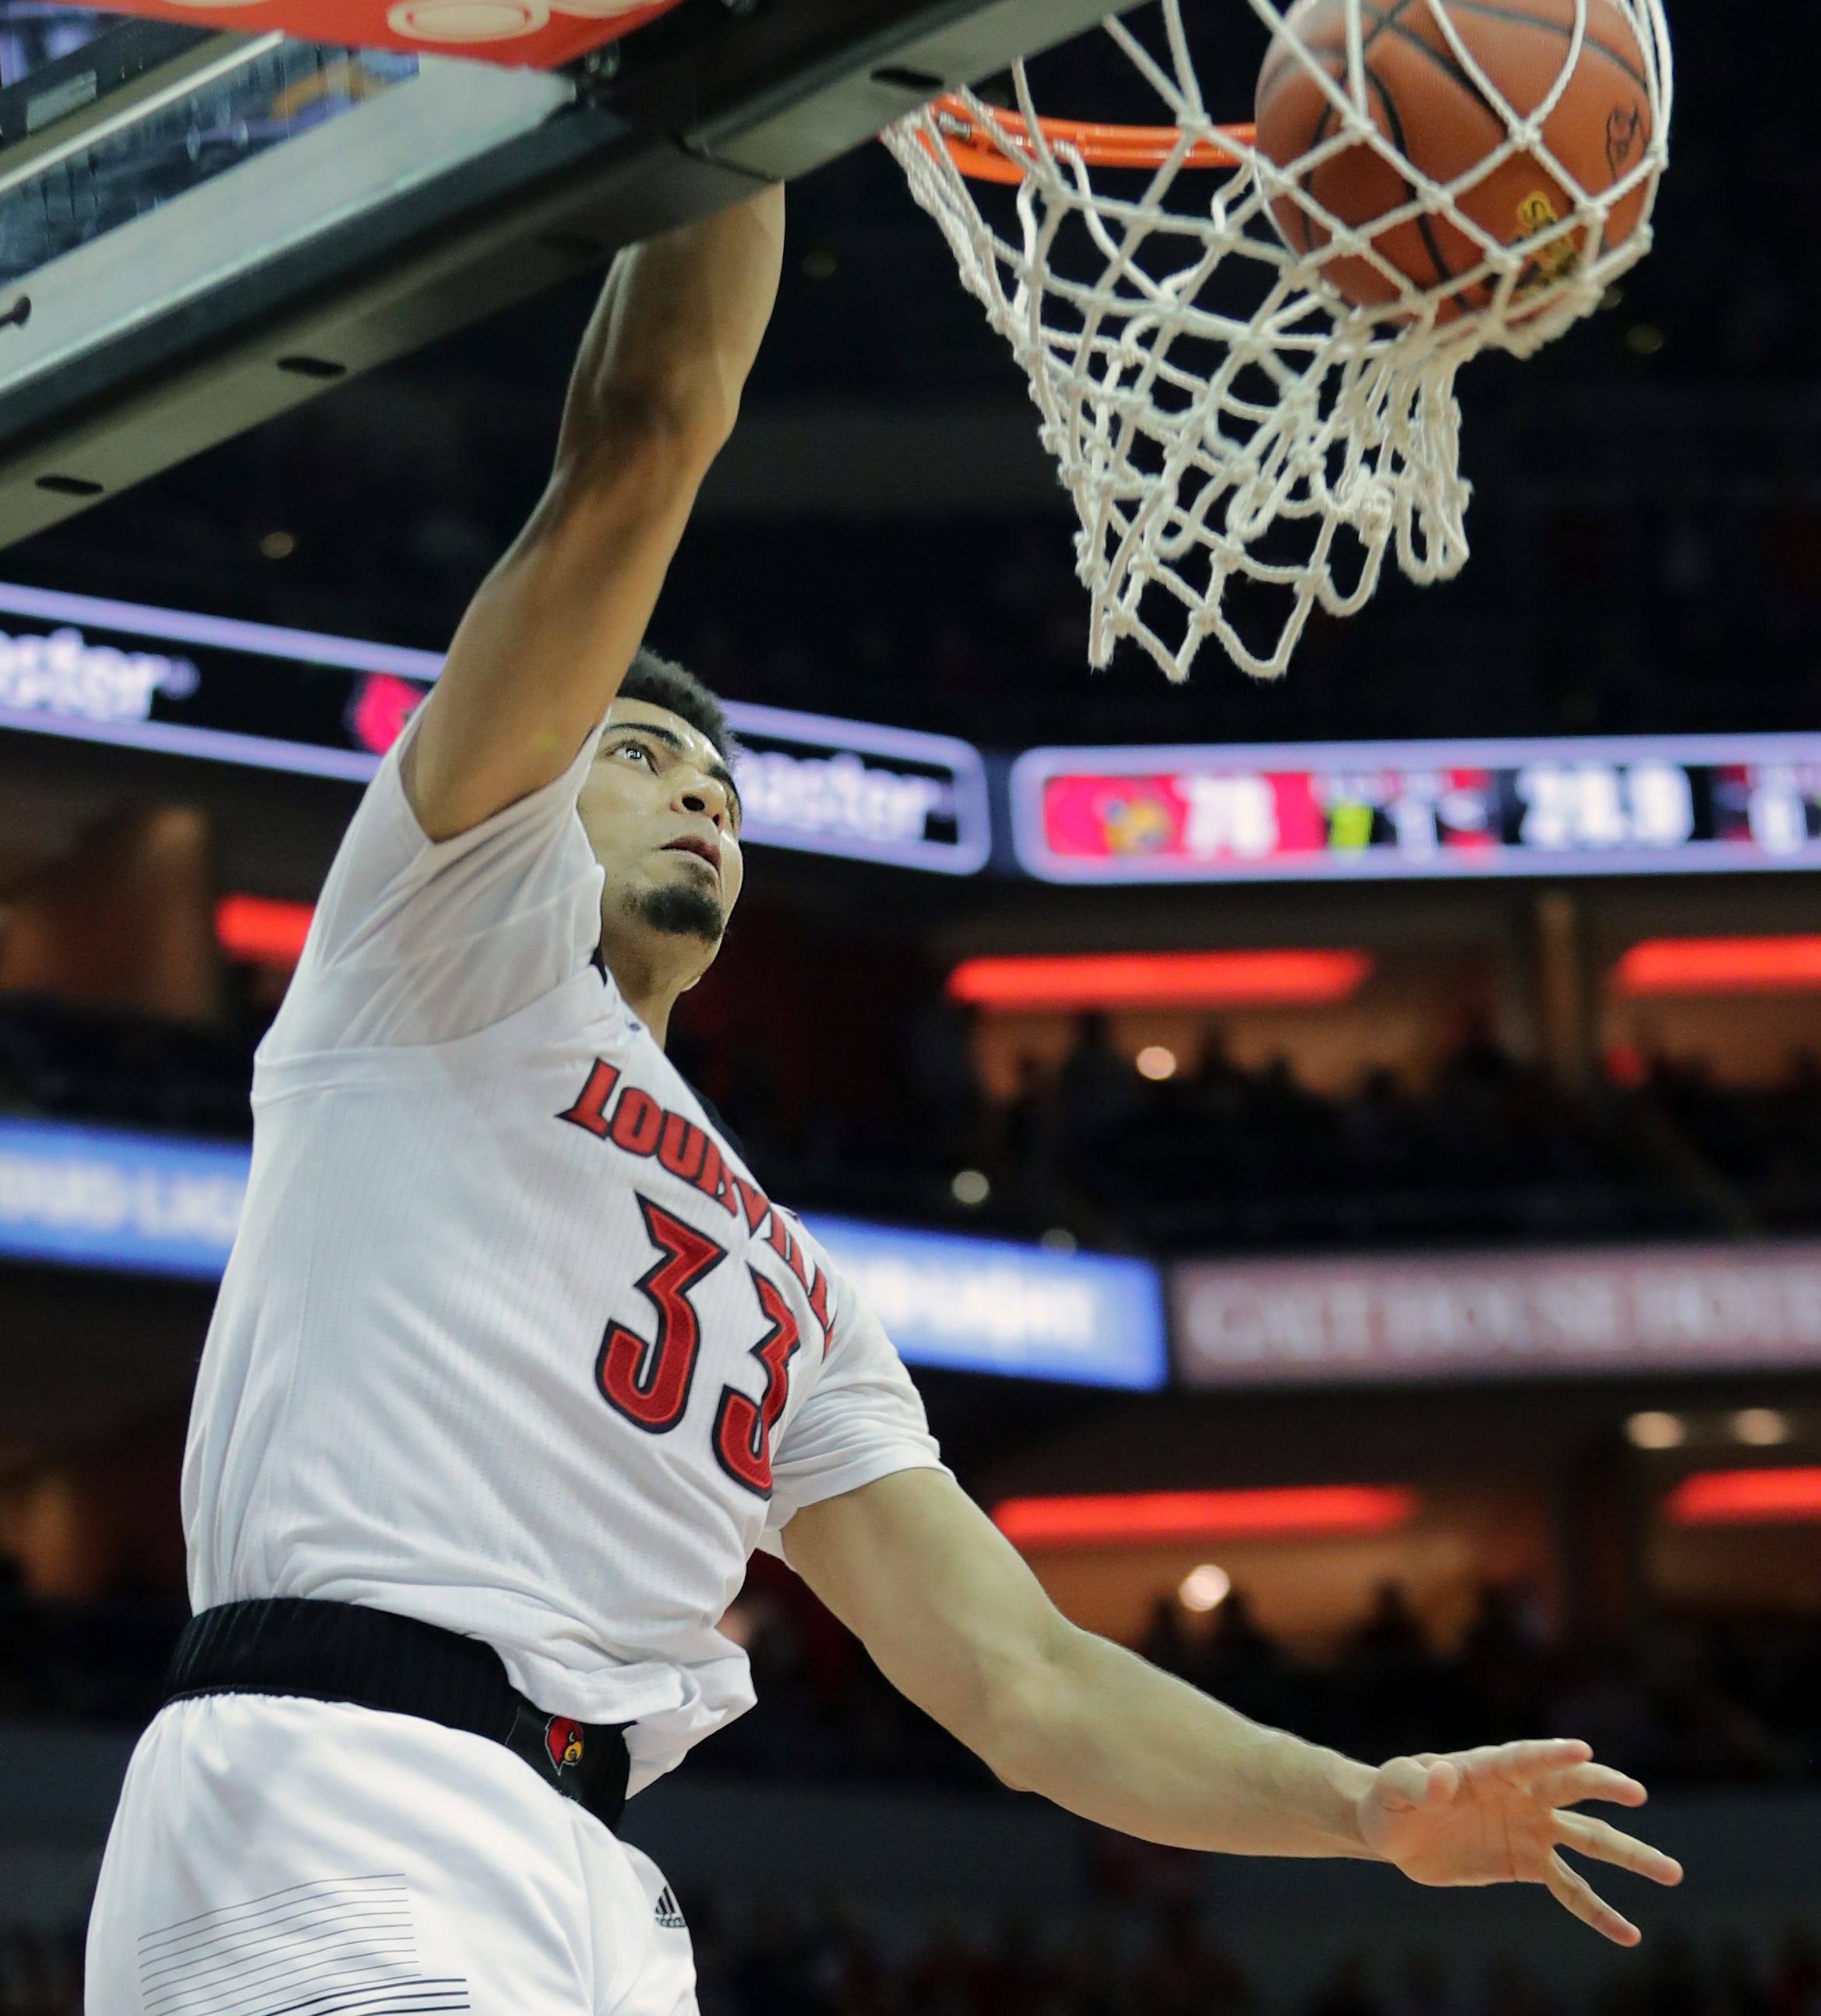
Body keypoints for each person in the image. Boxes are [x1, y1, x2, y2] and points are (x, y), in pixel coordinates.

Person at [86, 189, 1681, 2016]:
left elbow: (1021, 1683)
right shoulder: (436, 948)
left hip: (597, 1872)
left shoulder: (789, 1287)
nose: (700, 796)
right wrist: (768, 92)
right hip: (340, 1787)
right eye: (638, 755)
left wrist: (1361, 1800)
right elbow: (641, 435)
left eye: (723, 789)